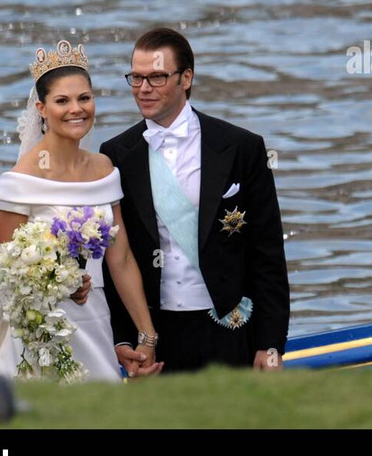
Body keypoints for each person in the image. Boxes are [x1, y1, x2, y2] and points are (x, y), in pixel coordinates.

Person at [0, 40, 162, 381]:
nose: (76, 109)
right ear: (41, 108)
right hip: (40, 329)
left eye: (84, 98)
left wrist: (147, 336)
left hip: (95, 321)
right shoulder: (20, 181)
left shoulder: (104, 169)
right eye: (62, 101)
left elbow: (122, 258)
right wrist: (59, 282)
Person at [100, 27, 290, 373]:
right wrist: (124, 338)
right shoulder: (115, 154)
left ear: (186, 78)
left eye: (157, 77)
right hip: (156, 334)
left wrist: (271, 343)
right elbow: (118, 257)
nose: (143, 88)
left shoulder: (242, 147)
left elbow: (267, 253)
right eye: (136, 78)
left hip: (231, 328)